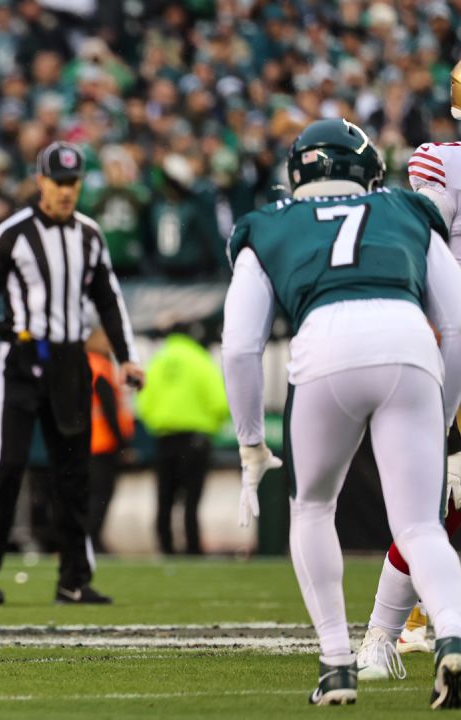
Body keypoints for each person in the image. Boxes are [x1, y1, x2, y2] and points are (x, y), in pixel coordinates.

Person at [222, 118, 461, 707]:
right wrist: (444, 409)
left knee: (311, 508)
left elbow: (239, 346)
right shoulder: (408, 210)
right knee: (421, 525)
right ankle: (452, 636)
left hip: (324, 344)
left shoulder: (268, 224)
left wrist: (251, 441)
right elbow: (455, 325)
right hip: (408, 343)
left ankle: (336, 664)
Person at [0, 142, 144, 606]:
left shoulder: (90, 235)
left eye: (73, 183)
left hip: (70, 360)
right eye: (58, 182)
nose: (65, 191)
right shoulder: (12, 234)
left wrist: (126, 356)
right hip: (20, 358)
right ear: (41, 181)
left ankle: (74, 579)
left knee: (74, 469)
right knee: (7, 463)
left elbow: (109, 300)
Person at [356, 60, 461, 681]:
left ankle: (393, 632)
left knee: (435, 504)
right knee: (432, 502)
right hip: (452, 337)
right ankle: (388, 633)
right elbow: (421, 241)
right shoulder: (441, 163)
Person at [135, 322, 228, 556]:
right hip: (196, 438)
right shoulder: (200, 359)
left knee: (164, 497)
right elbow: (220, 402)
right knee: (192, 499)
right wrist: (212, 427)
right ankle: (192, 547)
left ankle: (165, 547)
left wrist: (158, 422)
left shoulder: (157, 362)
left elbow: (143, 402)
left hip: (165, 438)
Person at [85, 326, 133, 554]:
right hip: (101, 443)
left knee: (93, 494)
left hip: (85, 441)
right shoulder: (99, 367)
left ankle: (91, 539)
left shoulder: (85, 364)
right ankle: (92, 540)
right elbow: (108, 409)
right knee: (100, 494)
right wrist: (122, 443)